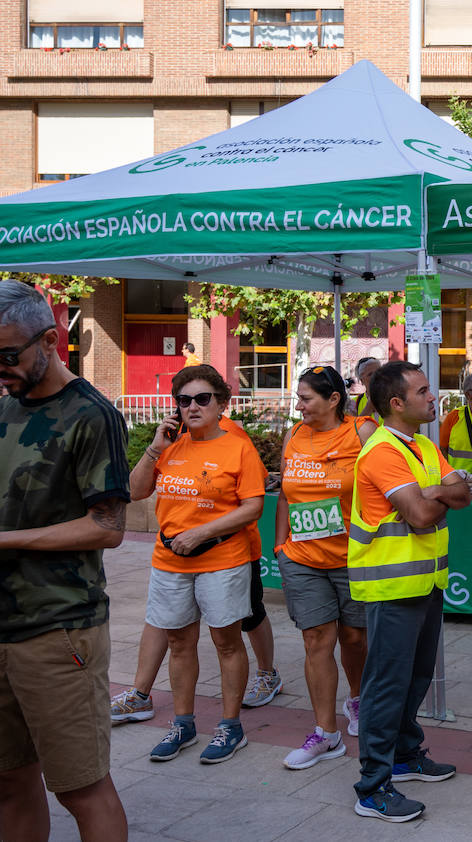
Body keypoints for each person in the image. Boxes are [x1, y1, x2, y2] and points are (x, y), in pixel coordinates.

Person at [0, 280, 130, 842]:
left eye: (8, 356)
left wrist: (6, 541)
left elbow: (108, 528)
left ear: (50, 340)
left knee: (80, 787)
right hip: (5, 626)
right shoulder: (5, 407)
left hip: (58, 631)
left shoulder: (91, 414)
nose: (0, 369)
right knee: (9, 780)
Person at [350, 360, 470, 822]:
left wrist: (433, 494)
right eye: (423, 391)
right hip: (392, 587)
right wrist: (436, 495)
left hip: (425, 582)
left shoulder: (422, 444)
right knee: (386, 686)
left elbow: (459, 494)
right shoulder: (381, 451)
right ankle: (373, 787)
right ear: (396, 403)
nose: (432, 397)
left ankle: (404, 755)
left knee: (416, 679)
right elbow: (421, 516)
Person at [131, 364, 266, 764]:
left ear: (221, 404)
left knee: (226, 641)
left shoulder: (238, 446)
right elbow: (136, 490)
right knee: (178, 642)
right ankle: (183, 722)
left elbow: (253, 506)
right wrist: (154, 446)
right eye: (184, 400)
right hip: (170, 560)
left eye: (202, 399)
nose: (192, 407)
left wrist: (202, 533)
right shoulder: (169, 445)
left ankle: (230, 726)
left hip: (223, 559)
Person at [274, 365, 376, 769]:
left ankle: (358, 700)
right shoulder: (294, 435)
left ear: (334, 399)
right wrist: (280, 546)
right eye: (298, 397)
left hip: (352, 557)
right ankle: (325, 732)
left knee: (354, 638)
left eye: (306, 398)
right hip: (302, 558)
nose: (299, 406)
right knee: (317, 639)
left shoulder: (362, 432)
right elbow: (284, 495)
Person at [442, 373, 472, 480]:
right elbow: (442, 450)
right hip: (459, 482)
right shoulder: (454, 417)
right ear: (468, 395)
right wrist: (450, 475)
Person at [353, 357, 382, 421]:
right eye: (370, 374)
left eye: (379, 371)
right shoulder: (354, 403)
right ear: (361, 380)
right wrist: (368, 408)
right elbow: (352, 429)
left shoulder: (393, 399)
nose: (377, 376)